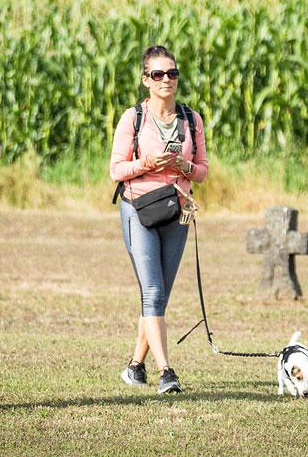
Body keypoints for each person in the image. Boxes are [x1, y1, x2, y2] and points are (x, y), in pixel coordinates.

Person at [109, 45, 208, 394]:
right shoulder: (132, 118)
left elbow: (202, 173)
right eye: (158, 74)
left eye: (172, 73)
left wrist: (185, 167)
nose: (166, 80)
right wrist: (147, 164)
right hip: (139, 209)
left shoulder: (191, 119)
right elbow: (115, 169)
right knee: (151, 291)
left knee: (160, 296)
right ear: (145, 80)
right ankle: (166, 371)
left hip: (178, 211)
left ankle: (136, 366)